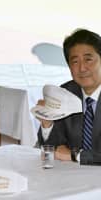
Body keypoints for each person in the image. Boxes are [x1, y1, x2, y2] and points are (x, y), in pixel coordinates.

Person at [37, 28, 101, 165]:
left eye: (88, 59)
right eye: (75, 62)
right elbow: (52, 150)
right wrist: (47, 124)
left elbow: (66, 154)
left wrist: (75, 155)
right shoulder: (66, 92)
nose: (82, 68)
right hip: (75, 177)